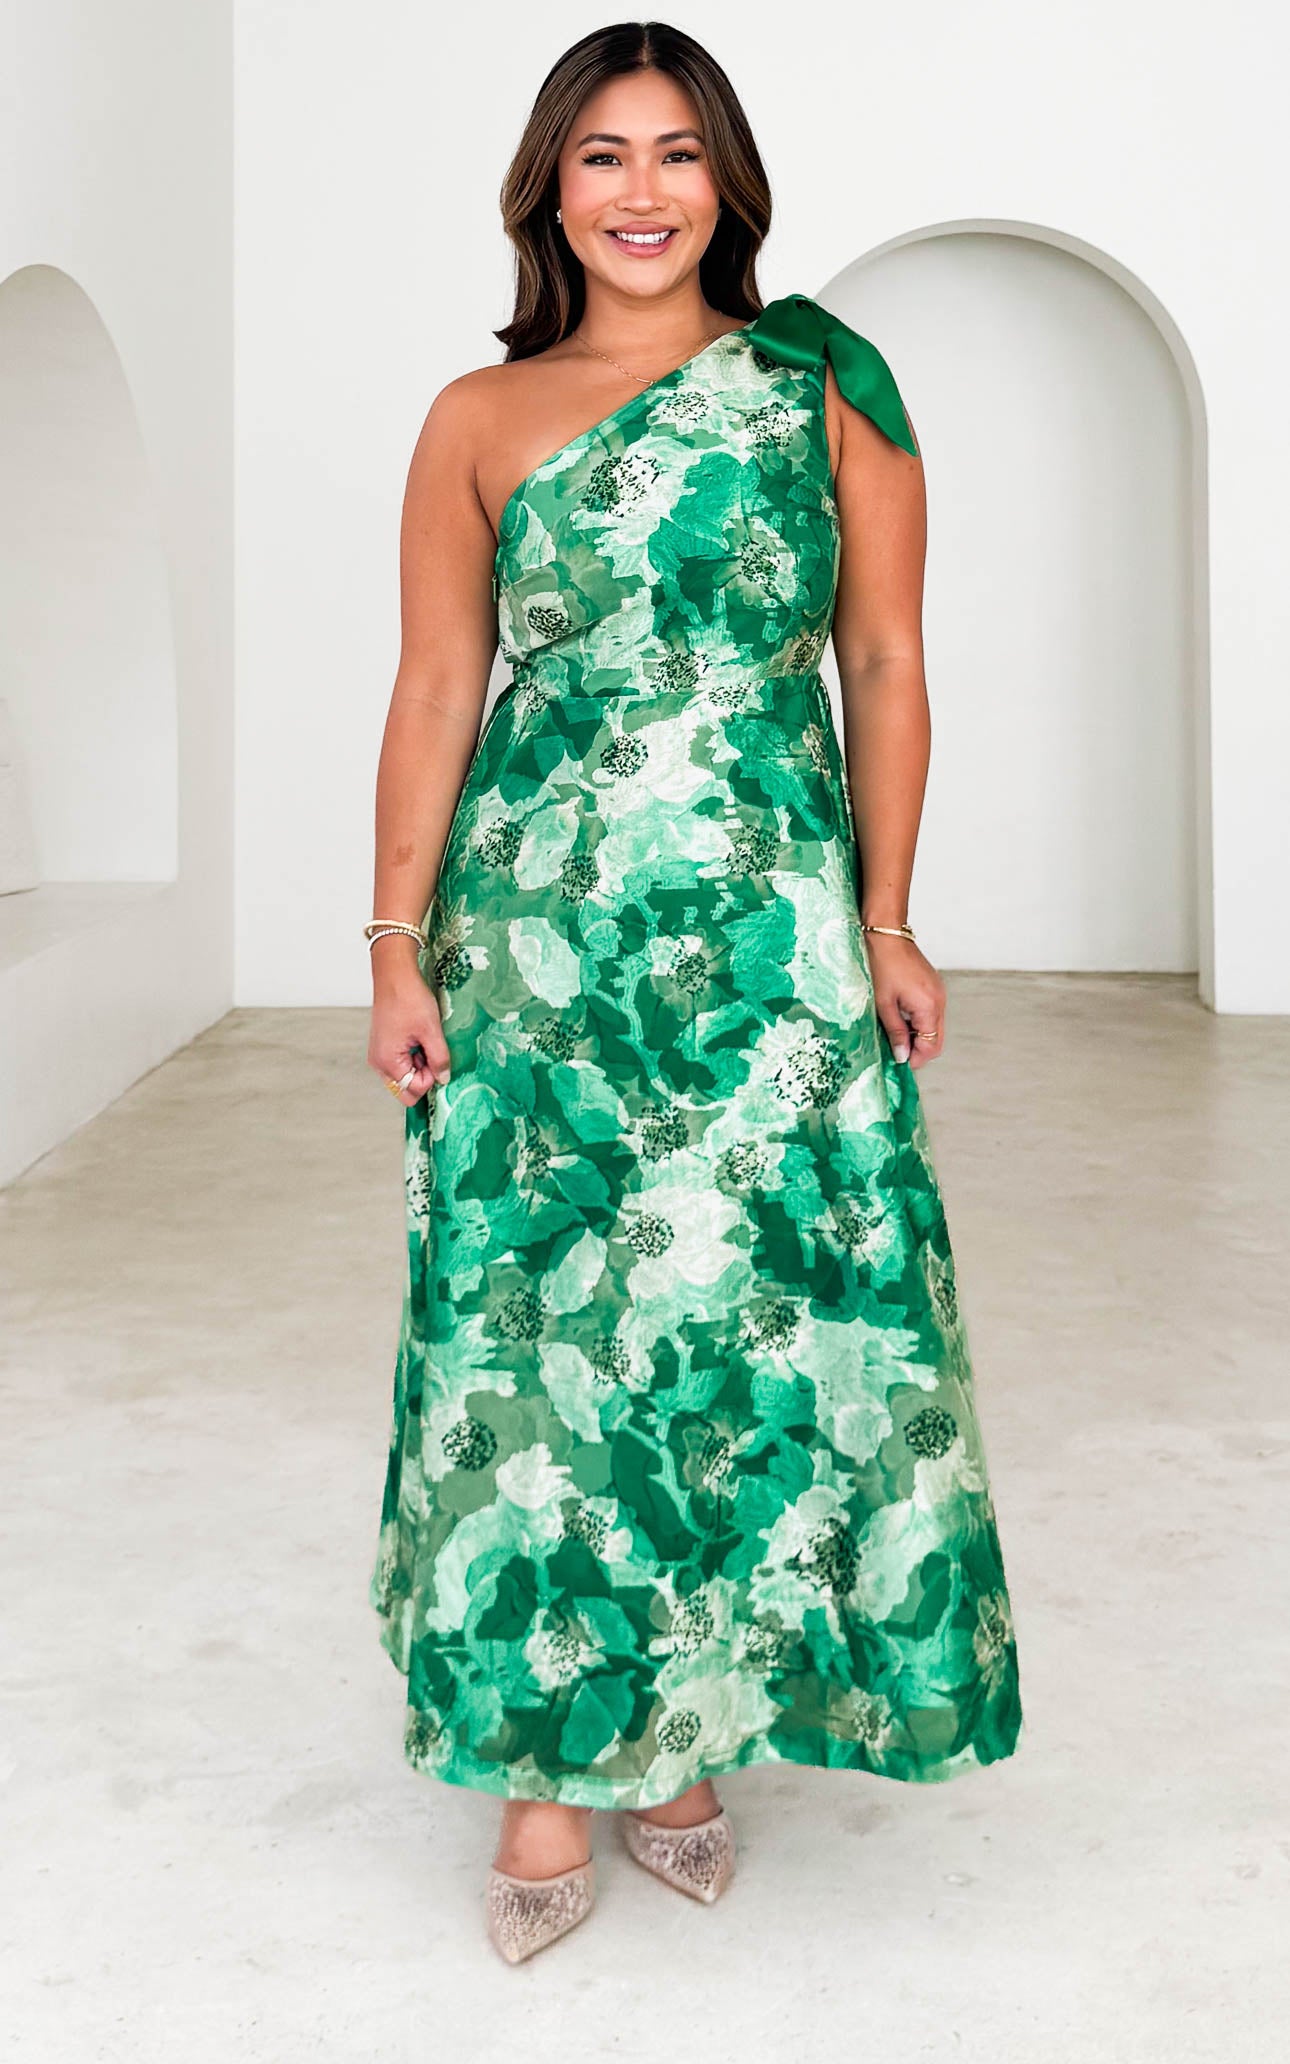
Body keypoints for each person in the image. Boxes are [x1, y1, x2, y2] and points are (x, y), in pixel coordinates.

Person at [364, 18, 1023, 1965]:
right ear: (548, 192)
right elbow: (437, 686)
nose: (640, 191)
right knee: (537, 1336)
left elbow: (882, 664)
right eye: (601, 156)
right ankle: (544, 1768)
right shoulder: (477, 417)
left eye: (673, 152)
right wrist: (393, 945)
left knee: (737, 1337)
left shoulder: (826, 388)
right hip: (535, 951)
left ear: (726, 181)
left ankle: (689, 1739)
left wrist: (886, 921)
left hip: (767, 940)